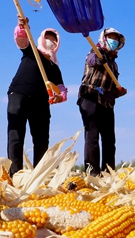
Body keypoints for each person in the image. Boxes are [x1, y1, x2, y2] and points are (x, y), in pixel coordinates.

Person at [7, 16, 68, 175]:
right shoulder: (32, 51)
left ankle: (39, 174)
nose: (50, 42)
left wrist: (59, 97)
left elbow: (61, 89)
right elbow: (21, 40)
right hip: (19, 94)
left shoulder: (54, 67)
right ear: (42, 39)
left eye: (54, 40)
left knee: (41, 140)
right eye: (48, 38)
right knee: (16, 136)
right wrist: (22, 26)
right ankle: (15, 174)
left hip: (41, 102)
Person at [78, 27, 126, 174]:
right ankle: (92, 173)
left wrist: (118, 92)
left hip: (106, 102)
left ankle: (108, 173)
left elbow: (111, 89)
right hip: (90, 97)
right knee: (92, 137)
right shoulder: (95, 52)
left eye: (116, 39)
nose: (114, 41)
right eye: (111, 38)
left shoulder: (114, 64)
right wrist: (99, 59)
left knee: (109, 140)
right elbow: (91, 60)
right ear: (104, 38)